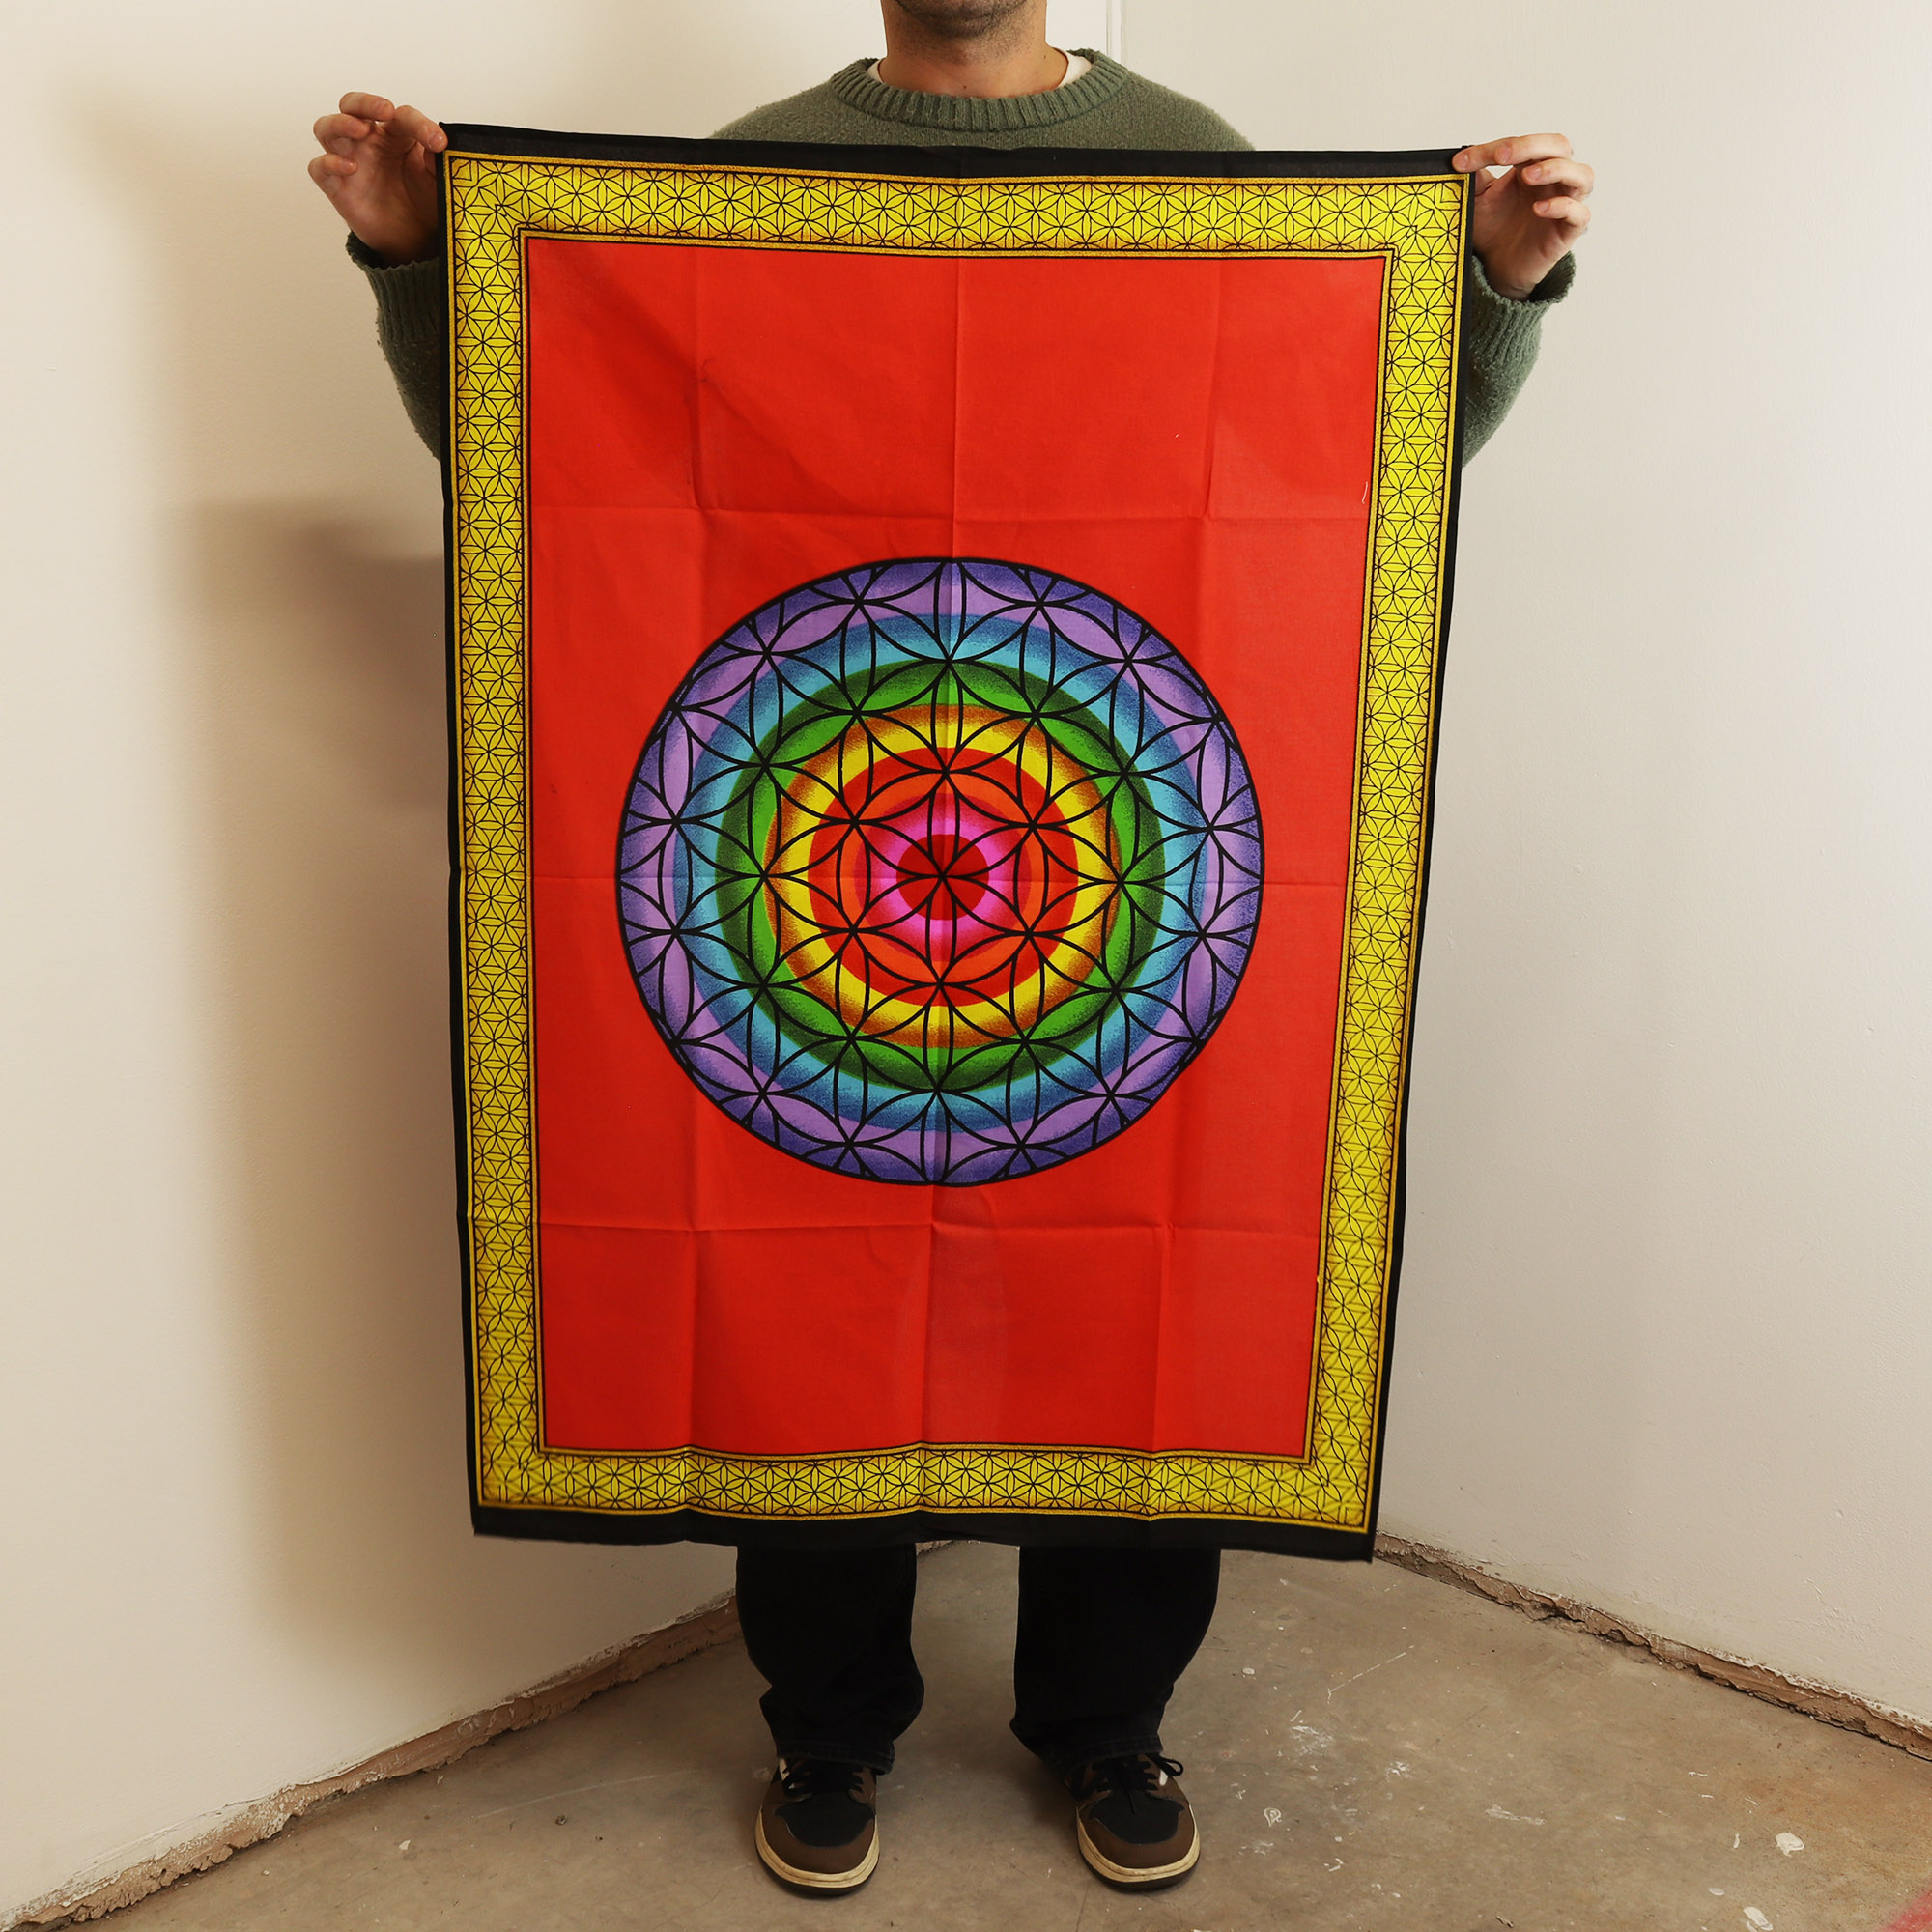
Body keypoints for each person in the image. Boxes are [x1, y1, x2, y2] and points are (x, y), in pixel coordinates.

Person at [309, 0, 1592, 1897]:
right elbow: (555, 448)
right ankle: (827, 1727)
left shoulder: (1195, 164)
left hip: (1110, 862)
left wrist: (1489, 291)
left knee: (1144, 1300)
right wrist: (423, 261)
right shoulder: (742, 175)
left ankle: (1110, 1719)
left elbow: (1346, 458)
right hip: (803, 867)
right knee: (792, 1291)